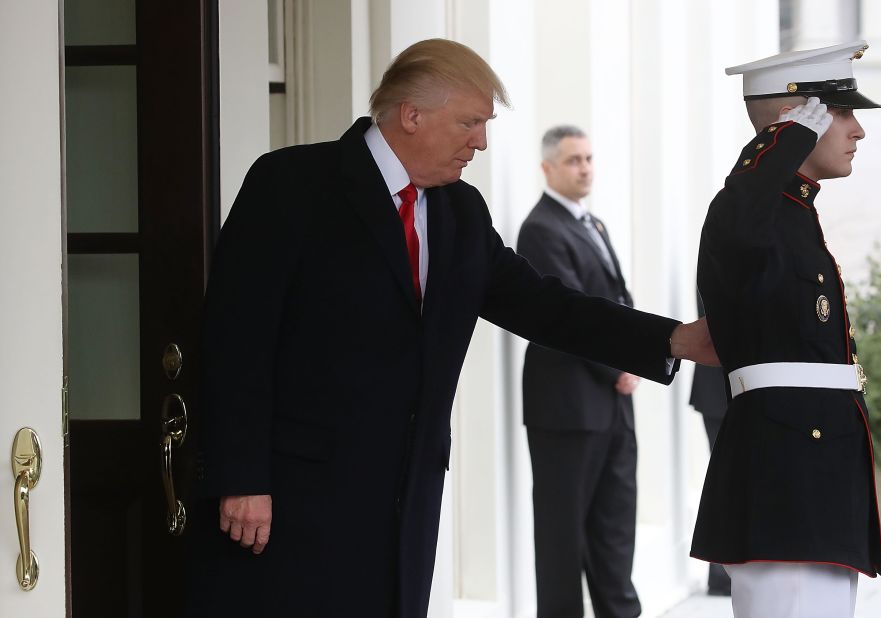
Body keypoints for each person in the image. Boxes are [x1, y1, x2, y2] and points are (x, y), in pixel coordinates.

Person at [187, 38, 716, 618]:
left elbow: (542, 304)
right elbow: (236, 339)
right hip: (293, 498)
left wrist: (671, 339)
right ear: (412, 115)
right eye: (471, 122)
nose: (481, 141)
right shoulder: (291, 184)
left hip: (407, 500)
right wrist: (241, 477)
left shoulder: (461, 211)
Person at [690, 40, 881, 618]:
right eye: (842, 113)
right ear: (798, 119)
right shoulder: (748, 209)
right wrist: (783, 139)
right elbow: (741, 216)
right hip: (784, 473)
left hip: (816, 472)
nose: (857, 131)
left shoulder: (795, 213)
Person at [516, 125, 643, 617]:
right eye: (573, 160)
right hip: (567, 409)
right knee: (562, 539)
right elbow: (565, 315)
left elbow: (618, 300)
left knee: (614, 530)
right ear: (548, 168)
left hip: (613, 406)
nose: (585, 167)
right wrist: (620, 366)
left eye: (589, 158)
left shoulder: (593, 224)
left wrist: (635, 356)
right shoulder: (540, 228)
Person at [686, 291, 732, 597]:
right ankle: (721, 572)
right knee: (725, 480)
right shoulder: (722, 249)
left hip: (735, 389)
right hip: (720, 389)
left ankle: (726, 570)